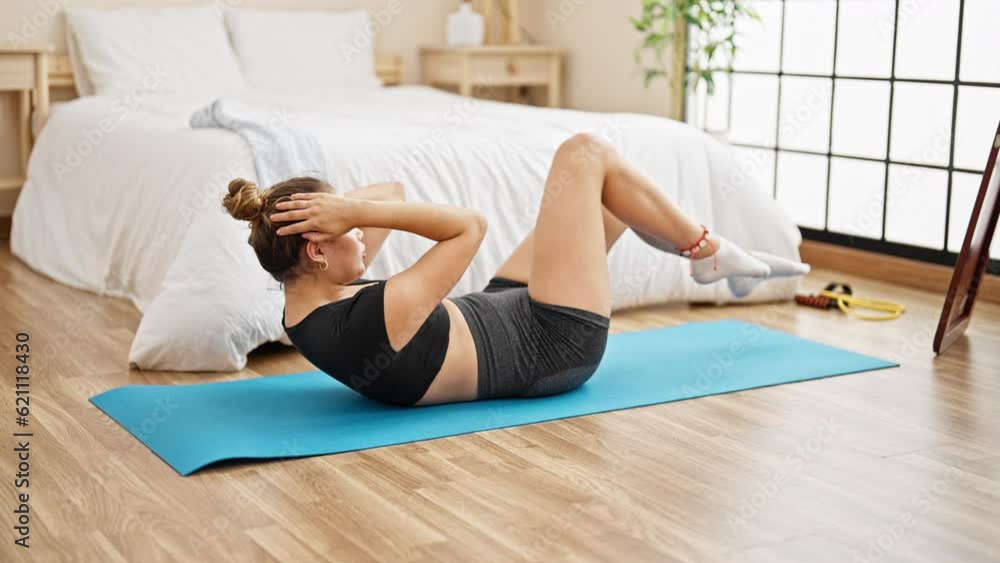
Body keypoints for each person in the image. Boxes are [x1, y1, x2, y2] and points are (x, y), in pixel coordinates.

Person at [222, 133, 809, 407]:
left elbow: (391, 190)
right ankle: (706, 251)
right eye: (350, 231)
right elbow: (469, 226)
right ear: (317, 251)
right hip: (550, 342)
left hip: (500, 312)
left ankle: (705, 255)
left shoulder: (308, 298)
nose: (363, 235)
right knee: (585, 154)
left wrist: (323, 213)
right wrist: (349, 213)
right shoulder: (365, 324)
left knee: (608, 199)